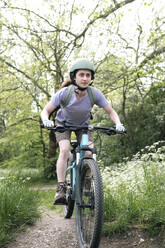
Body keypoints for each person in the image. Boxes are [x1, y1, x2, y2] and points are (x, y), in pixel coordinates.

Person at [41, 58, 125, 204]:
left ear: (91, 78)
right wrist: (46, 121)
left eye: (88, 75)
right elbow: (45, 111)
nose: (85, 78)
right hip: (63, 125)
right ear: (74, 77)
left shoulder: (94, 93)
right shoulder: (64, 93)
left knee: (88, 152)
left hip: (83, 126)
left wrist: (118, 123)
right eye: (82, 75)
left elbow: (111, 111)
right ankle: (61, 188)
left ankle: (87, 181)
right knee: (65, 150)